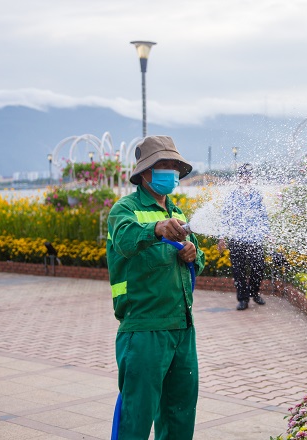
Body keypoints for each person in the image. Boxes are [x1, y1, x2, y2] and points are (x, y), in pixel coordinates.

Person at [106, 135, 205, 440]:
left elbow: (196, 258)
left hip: (182, 329)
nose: (170, 171)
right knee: (136, 418)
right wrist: (156, 229)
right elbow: (125, 240)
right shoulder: (124, 210)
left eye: (174, 165)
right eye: (163, 165)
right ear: (145, 172)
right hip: (144, 329)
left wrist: (193, 254)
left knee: (179, 416)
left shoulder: (177, 212)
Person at [217, 163, 270, 311]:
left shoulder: (256, 194)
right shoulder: (232, 195)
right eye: (243, 175)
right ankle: (243, 299)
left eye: (248, 175)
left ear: (251, 177)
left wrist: (267, 232)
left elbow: (263, 215)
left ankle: (254, 293)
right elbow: (225, 217)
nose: (245, 178)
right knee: (238, 271)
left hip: (255, 238)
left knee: (258, 267)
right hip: (236, 238)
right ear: (239, 177)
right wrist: (222, 237)